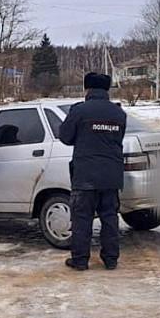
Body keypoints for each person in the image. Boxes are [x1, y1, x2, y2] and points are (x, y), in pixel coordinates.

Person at [58, 72, 127, 270]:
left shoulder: (80, 111)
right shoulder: (119, 113)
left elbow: (65, 137)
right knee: (109, 218)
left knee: (82, 218)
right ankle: (111, 259)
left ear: (87, 89)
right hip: (111, 175)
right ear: (107, 89)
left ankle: (80, 260)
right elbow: (118, 139)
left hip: (85, 175)